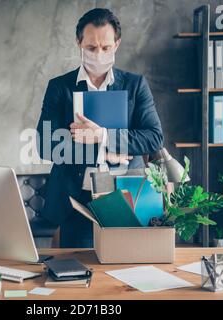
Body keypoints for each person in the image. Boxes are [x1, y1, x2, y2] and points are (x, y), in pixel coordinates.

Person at [36, 8, 164, 248]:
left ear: (117, 44)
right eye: (91, 48)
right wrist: (101, 151)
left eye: (106, 48)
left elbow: (154, 138)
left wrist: (102, 135)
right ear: (79, 43)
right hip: (77, 201)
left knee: (126, 270)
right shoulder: (59, 87)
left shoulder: (136, 86)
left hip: (127, 196)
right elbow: (45, 144)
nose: (99, 54)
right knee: (78, 273)